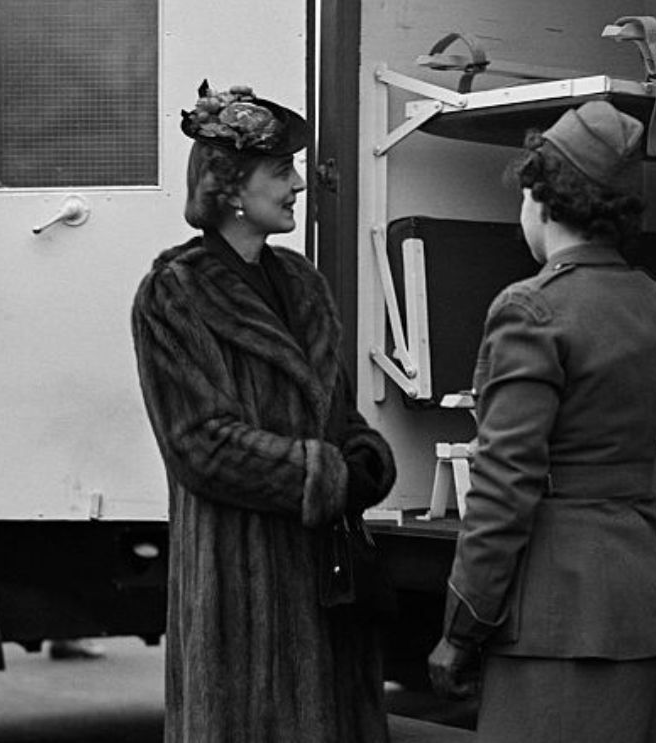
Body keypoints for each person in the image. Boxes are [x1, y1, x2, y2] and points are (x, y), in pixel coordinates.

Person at [426, 102, 656, 742]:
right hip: (647, 594)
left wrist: (462, 627)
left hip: (558, 612)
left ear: (539, 197)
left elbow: (503, 485)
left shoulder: (530, 308)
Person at [131, 82, 397, 743]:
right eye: (280, 171)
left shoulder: (302, 283)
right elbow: (200, 445)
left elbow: (335, 410)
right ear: (228, 188)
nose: (299, 184)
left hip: (325, 585)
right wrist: (328, 475)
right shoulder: (174, 292)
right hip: (238, 604)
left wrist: (365, 454)